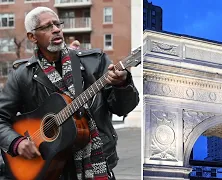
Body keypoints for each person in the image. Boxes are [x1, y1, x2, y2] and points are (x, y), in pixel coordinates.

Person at [0, 7, 139, 180]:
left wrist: (122, 84)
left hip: (98, 167)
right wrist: (16, 142)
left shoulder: (95, 62)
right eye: (47, 27)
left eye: (57, 24)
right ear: (32, 37)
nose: (56, 29)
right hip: (49, 168)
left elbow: (122, 108)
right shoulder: (22, 75)